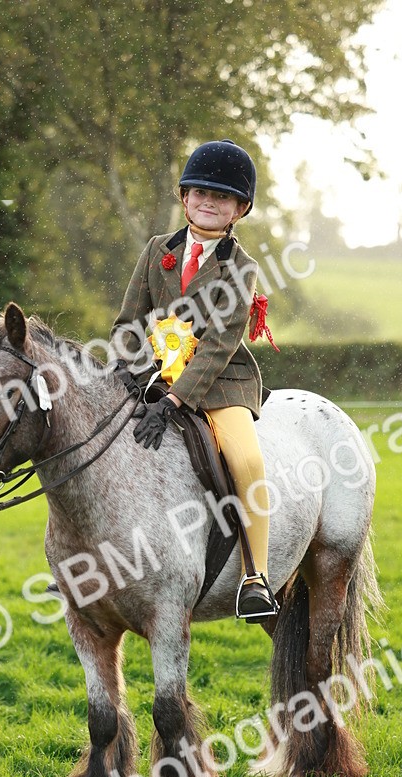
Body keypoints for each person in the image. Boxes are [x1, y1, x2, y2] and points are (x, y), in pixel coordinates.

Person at [110, 139, 279, 622]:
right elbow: (128, 322)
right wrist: (130, 371)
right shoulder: (156, 250)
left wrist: (174, 403)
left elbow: (218, 346)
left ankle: (256, 576)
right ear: (184, 197)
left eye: (222, 197)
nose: (209, 202)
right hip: (153, 373)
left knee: (246, 459)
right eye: (201, 192)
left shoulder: (240, 269)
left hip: (220, 381)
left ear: (239, 210)